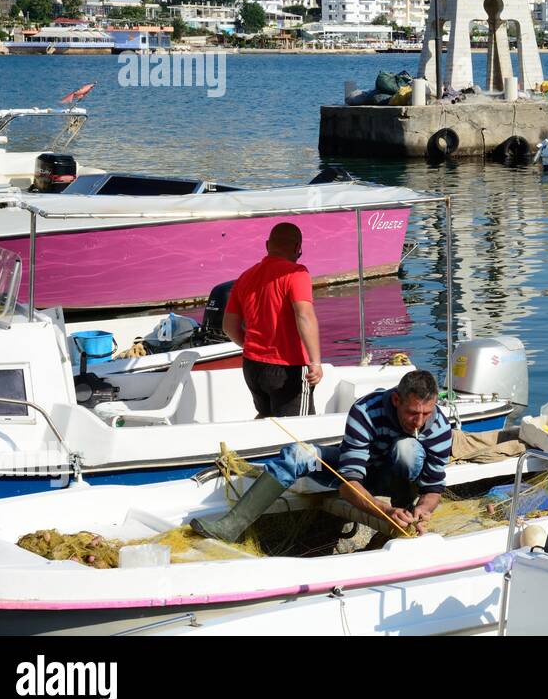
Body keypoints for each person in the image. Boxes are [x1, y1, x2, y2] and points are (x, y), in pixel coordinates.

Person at [190, 370, 451, 542]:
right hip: (362, 473)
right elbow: (348, 481)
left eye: (426, 414)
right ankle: (232, 526)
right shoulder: (365, 411)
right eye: (412, 413)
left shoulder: (439, 426)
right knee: (298, 454)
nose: (418, 422)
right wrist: (384, 509)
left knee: (407, 449)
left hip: (399, 479)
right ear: (396, 400)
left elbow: (434, 487)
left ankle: (404, 517)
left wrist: (422, 510)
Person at [224, 222, 322, 418]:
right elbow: (304, 315)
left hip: (253, 366)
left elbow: (228, 326)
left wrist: (251, 345)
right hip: (288, 367)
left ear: (267, 245)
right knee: (299, 430)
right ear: (297, 248)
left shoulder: (246, 276)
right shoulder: (296, 273)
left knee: (267, 417)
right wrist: (315, 362)